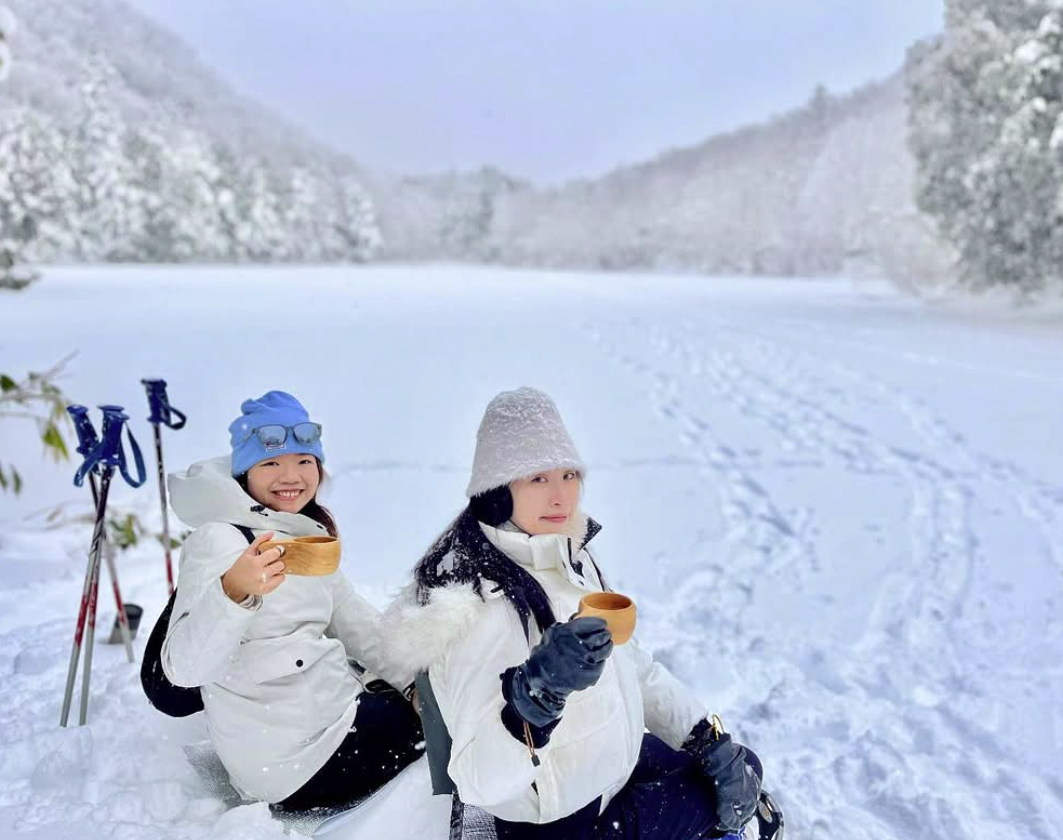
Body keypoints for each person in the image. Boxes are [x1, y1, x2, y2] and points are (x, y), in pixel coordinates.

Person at [380, 387, 782, 839]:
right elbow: (478, 781)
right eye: (537, 478)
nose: (561, 497)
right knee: (726, 799)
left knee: (736, 768)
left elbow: (630, 663)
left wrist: (706, 738)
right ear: (495, 491)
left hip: (604, 769)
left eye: (569, 474)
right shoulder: (479, 609)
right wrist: (535, 702)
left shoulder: (563, 552)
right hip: (560, 823)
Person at [162, 390, 423, 810]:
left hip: (324, 725)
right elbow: (186, 669)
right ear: (246, 473)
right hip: (293, 763)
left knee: (432, 698)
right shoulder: (220, 540)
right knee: (444, 724)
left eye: (304, 461)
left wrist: (414, 679)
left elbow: (355, 621)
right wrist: (234, 590)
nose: (291, 476)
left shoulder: (302, 534)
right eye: (271, 463)